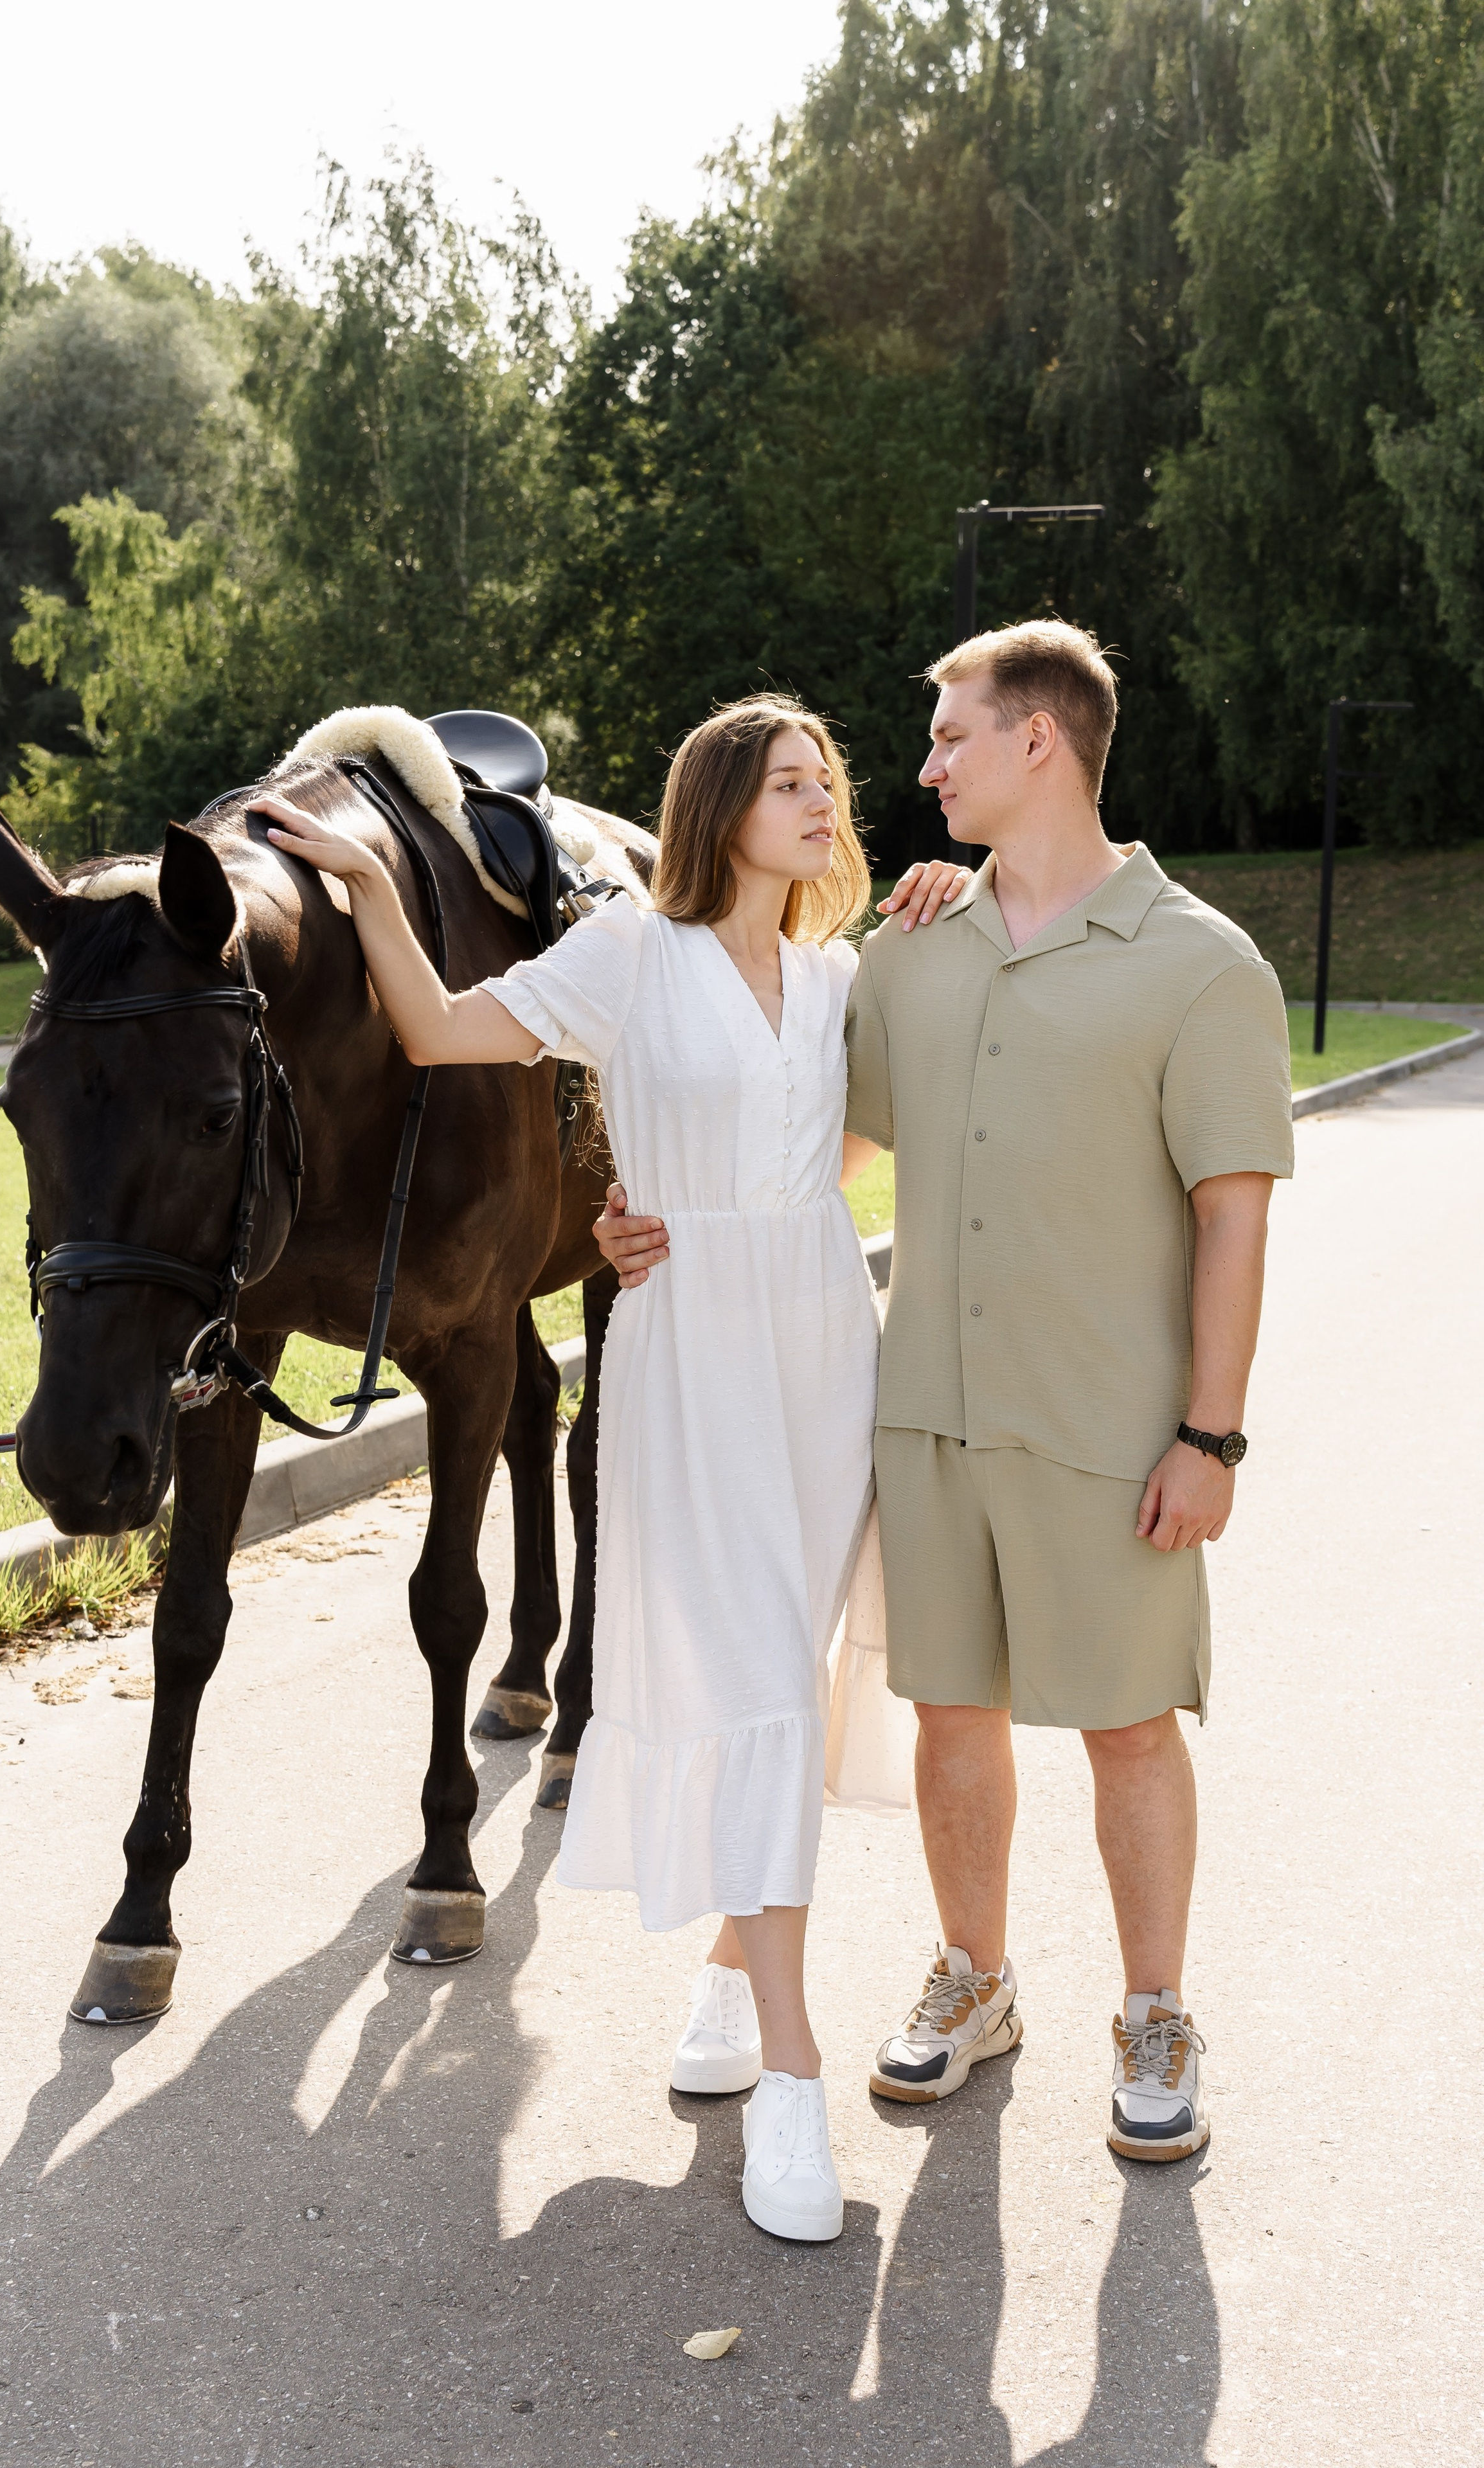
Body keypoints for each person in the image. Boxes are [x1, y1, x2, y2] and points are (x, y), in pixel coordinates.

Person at [247, 704, 963, 2242]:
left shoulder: (841, 979)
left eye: (828, 785)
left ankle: (723, 1978)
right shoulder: (631, 952)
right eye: (790, 785)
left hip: (824, 1346)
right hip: (689, 1352)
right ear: (718, 806)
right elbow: (440, 1028)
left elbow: (836, 1151)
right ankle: (790, 2074)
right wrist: (373, 894)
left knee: (789, 1665)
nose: (821, 805)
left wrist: (708, 1194)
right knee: (755, 1670)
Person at [594, 621, 1295, 2165]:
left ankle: (1154, 2011)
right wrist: (646, 1217)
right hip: (915, 1416)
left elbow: (1232, 1216)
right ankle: (974, 1979)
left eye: (948, 740)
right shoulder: (909, 947)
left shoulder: (1199, 962)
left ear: (1035, 742)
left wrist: (1209, 1435)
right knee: (948, 1714)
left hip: (1113, 1429)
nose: (918, 774)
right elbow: (796, 1136)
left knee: (1124, 1726)